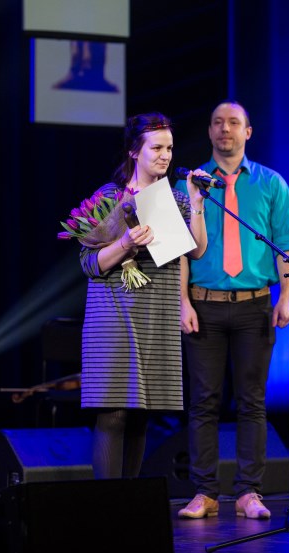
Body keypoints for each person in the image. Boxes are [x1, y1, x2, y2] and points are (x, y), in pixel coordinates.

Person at [174, 100, 289, 519]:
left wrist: (285, 297)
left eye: (233, 122)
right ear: (209, 132)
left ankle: (249, 492)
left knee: (252, 402)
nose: (224, 129)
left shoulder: (271, 183)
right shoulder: (191, 183)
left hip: (254, 306)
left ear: (248, 132)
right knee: (203, 403)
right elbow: (179, 251)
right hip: (204, 306)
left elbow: (286, 243)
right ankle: (205, 493)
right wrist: (183, 302)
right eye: (217, 122)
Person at [76, 112, 208, 479]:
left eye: (170, 148)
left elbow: (197, 250)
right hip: (114, 313)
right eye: (157, 148)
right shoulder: (109, 196)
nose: (165, 155)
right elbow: (89, 263)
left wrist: (197, 202)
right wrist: (124, 243)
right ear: (135, 151)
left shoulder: (176, 200)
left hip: (156, 313)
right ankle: (107, 505)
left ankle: (129, 503)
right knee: (114, 412)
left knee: (139, 414)